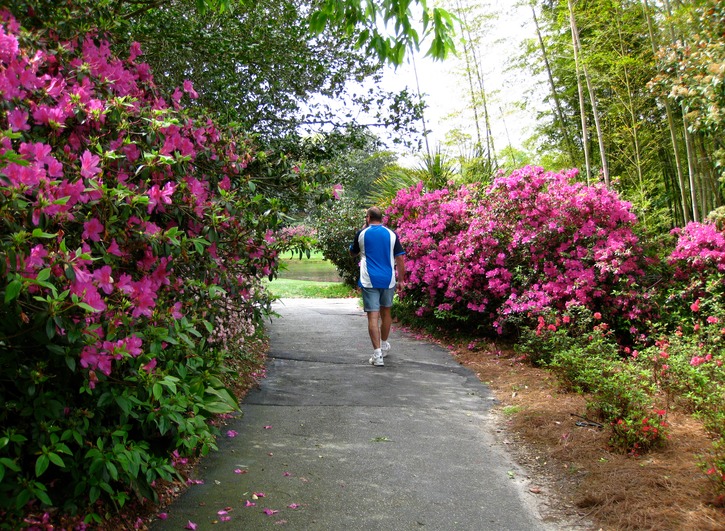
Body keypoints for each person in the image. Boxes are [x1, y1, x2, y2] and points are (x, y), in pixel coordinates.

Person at [349, 206, 406, 367]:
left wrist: (361, 231)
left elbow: (352, 252)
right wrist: (401, 279)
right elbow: (400, 258)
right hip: (388, 280)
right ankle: (385, 343)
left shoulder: (362, 234)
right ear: (381, 218)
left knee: (373, 317)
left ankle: (377, 355)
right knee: (386, 313)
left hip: (369, 280)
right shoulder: (391, 234)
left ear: (368, 218)